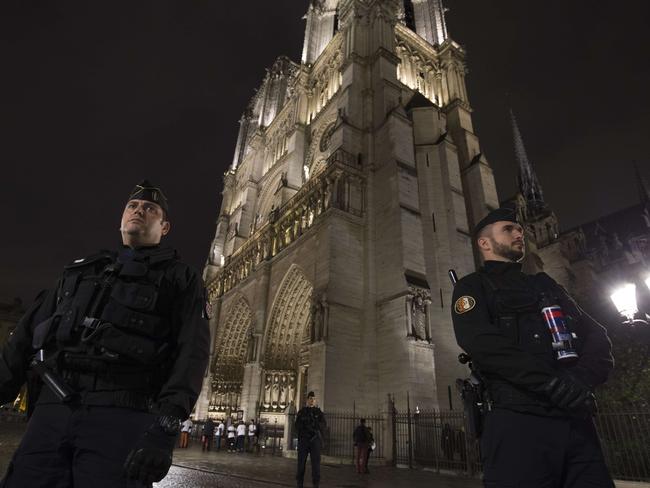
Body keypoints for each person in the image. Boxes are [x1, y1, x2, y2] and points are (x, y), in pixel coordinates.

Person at [0, 180, 210, 487]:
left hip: (123, 414)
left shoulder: (181, 278)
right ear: (121, 220)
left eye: (150, 209)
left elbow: (192, 353)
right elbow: (25, 336)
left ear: (164, 227)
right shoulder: (79, 271)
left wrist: (166, 426)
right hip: (52, 411)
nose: (139, 211)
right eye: (133, 206)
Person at [451, 206, 615, 488]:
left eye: (519, 229)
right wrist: (552, 384)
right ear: (484, 242)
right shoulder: (473, 287)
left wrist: (579, 381)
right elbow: (484, 345)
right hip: (517, 423)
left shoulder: (544, 284)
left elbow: (597, 336)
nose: (519, 233)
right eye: (509, 229)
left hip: (574, 423)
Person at [295, 391, 326, 488]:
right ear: (307, 400)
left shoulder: (318, 412)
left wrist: (315, 426)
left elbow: (323, 425)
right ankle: (299, 483)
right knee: (301, 463)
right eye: (310, 399)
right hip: (304, 440)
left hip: (314, 440)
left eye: (313, 399)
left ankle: (315, 484)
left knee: (316, 464)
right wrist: (305, 426)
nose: (312, 400)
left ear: (315, 400)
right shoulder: (302, 411)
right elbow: (297, 426)